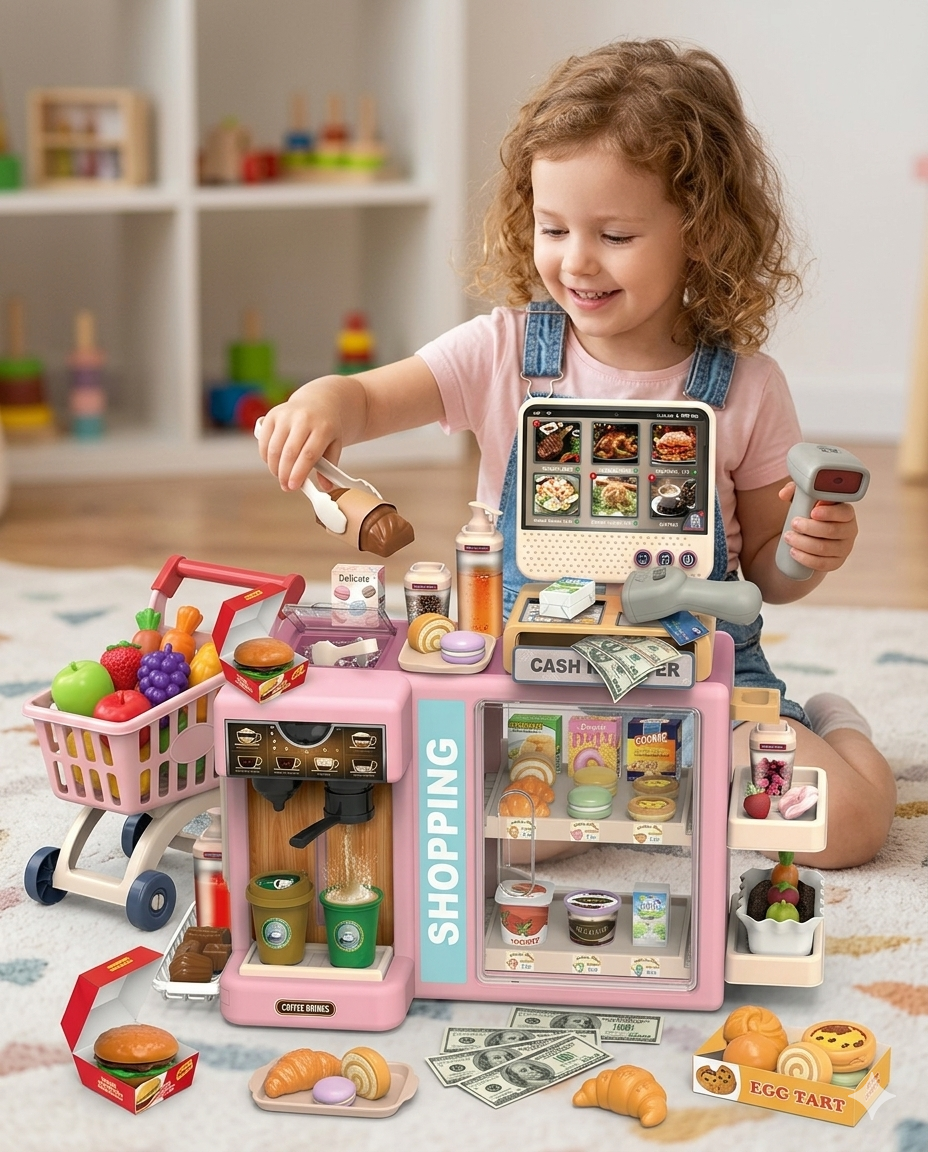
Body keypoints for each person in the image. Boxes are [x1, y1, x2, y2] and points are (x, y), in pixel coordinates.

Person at [259, 39, 895, 869]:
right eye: (553, 228)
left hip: (700, 686)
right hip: (530, 683)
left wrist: (808, 553)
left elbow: (769, 575)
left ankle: (838, 722)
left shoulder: (747, 388)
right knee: (473, 832)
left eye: (616, 234)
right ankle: (633, 795)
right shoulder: (503, 351)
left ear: (701, 231)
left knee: (844, 827)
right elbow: (373, 398)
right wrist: (324, 402)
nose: (576, 261)